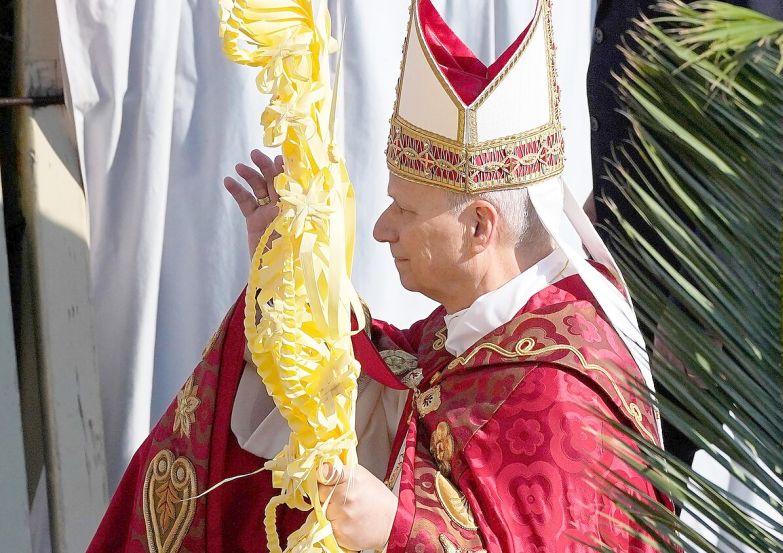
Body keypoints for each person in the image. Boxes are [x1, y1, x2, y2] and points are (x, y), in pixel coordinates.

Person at [87, 1, 673, 551]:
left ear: (479, 227)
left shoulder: (562, 396)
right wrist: (287, 278)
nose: (381, 229)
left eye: (407, 209)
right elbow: (394, 382)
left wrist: (395, 528)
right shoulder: (500, 322)